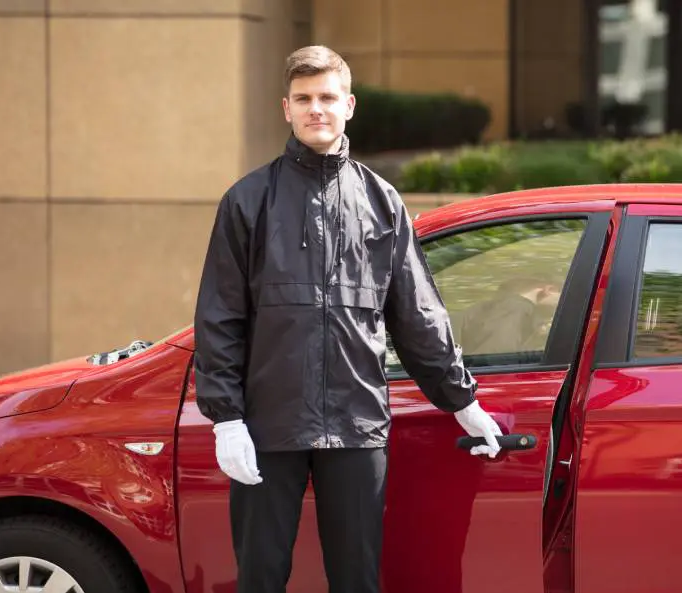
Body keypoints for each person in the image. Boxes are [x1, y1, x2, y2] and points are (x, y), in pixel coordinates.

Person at [192, 45, 504, 593]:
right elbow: (220, 318)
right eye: (304, 98)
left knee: (358, 578)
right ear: (285, 108)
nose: (317, 109)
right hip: (269, 424)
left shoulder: (382, 202)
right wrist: (227, 418)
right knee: (261, 575)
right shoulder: (247, 201)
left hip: (358, 425)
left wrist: (462, 400)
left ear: (349, 105)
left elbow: (416, 312)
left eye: (327, 97)